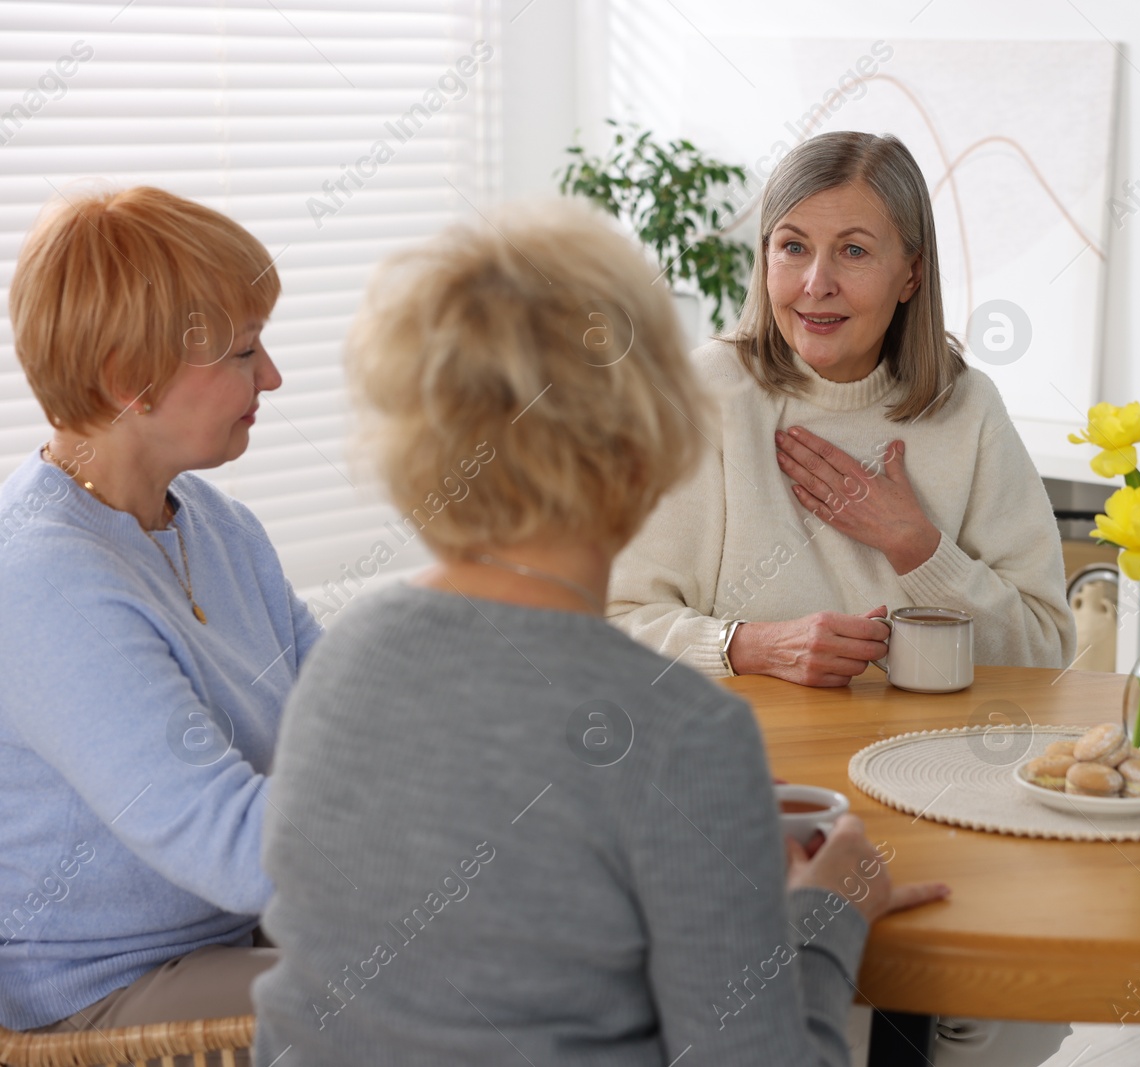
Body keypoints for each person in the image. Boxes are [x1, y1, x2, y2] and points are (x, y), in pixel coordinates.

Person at [251, 199, 950, 1066]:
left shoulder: (344, 657)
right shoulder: (685, 734)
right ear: (646, 440)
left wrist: (709, 835)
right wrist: (828, 914)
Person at [0, 187, 319, 1035]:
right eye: (245, 351)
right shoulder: (42, 577)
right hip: (109, 985)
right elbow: (234, 845)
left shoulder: (219, 527)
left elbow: (349, 716)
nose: (274, 377)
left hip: (236, 935)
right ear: (126, 380)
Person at [607, 131, 1075, 689]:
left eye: (853, 251)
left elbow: (1044, 652)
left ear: (911, 275)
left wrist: (918, 548)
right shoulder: (701, 395)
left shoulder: (968, 409)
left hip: (928, 758)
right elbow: (611, 624)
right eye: (793, 247)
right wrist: (750, 646)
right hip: (746, 757)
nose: (816, 284)